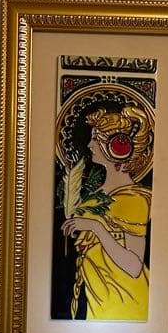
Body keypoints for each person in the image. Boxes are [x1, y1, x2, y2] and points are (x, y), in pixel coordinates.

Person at [61, 104, 152, 320]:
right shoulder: (94, 194)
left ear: (116, 147)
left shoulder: (134, 199)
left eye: (96, 138)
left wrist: (96, 227)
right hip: (97, 295)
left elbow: (134, 267)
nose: (90, 144)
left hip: (126, 299)